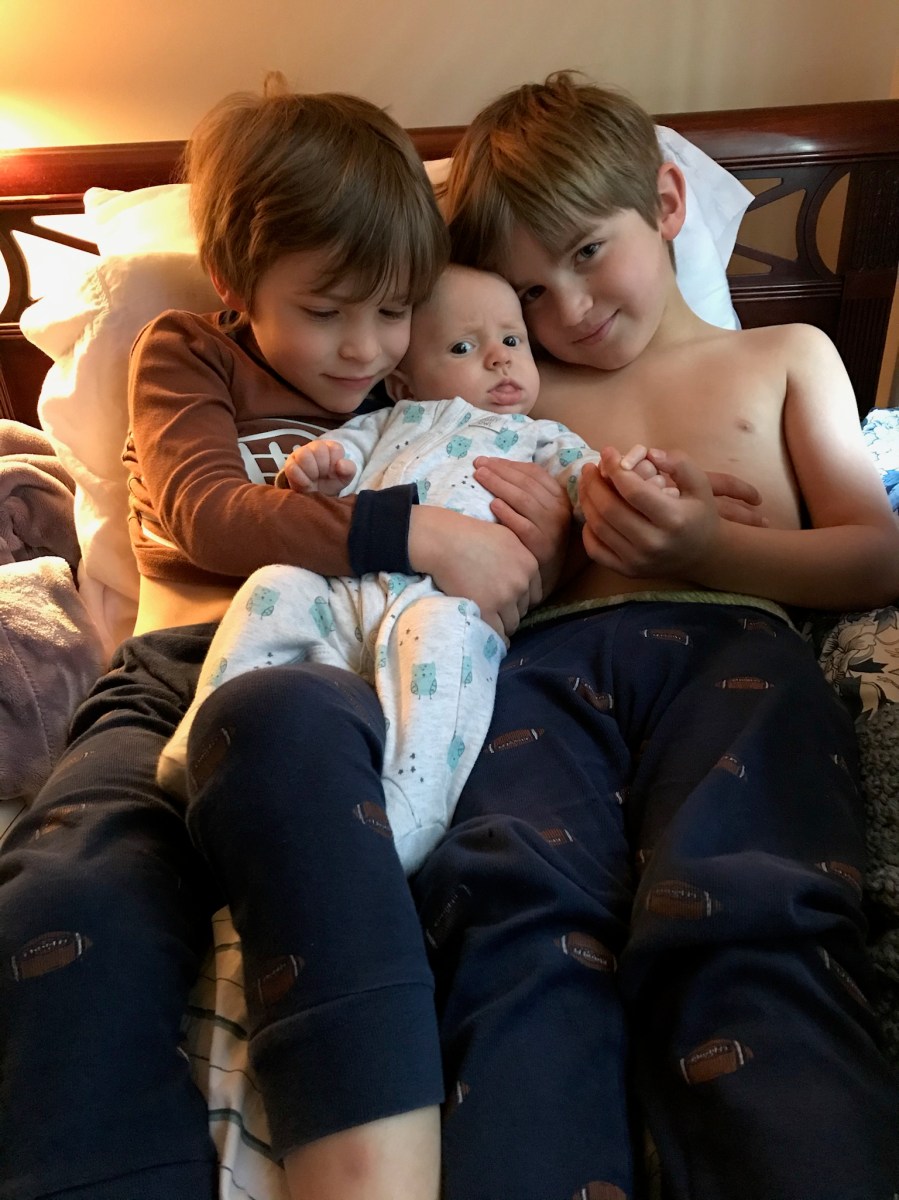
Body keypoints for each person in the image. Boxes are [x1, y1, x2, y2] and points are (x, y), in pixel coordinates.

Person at [0, 76, 553, 1200]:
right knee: (58, 896)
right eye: (326, 308)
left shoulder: (416, 390)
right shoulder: (186, 354)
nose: (363, 347)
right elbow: (209, 511)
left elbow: (516, 503)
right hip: (172, 679)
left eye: (392, 310)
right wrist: (411, 530)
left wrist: (542, 534)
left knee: (295, 735)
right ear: (233, 283)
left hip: (348, 682)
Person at [401, 71, 899, 1198]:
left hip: (738, 659)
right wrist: (552, 545)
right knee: (505, 904)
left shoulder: (784, 357)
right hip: (541, 675)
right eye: (531, 289)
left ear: (667, 203)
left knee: (753, 901)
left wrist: (706, 550)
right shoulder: (514, 391)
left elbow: (876, 554)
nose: (569, 309)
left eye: (587, 251)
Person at [157, 264, 626, 873]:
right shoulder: (386, 420)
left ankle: (414, 807)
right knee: (276, 584)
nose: (499, 359)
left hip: (442, 602)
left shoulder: (539, 436)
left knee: (444, 638)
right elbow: (334, 462)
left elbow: (586, 479)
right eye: (463, 348)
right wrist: (317, 471)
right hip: (348, 593)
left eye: (513, 340)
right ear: (403, 382)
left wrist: (619, 487)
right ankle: (203, 736)